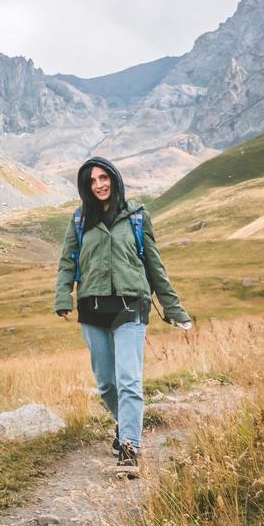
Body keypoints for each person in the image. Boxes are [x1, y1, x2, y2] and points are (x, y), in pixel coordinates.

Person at [54, 157, 191, 475]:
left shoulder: (137, 216)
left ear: (115, 179)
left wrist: (173, 308)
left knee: (129, 379)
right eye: (92, 181)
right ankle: (124, 424)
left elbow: (154, 265)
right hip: (92, 310)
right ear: (85, 187)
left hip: (131, 307)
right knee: (105, 384)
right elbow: (66, 263)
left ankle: (130, 448)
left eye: (104, 178)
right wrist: (63, 296)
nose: (99, 184)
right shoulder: (79, 221)